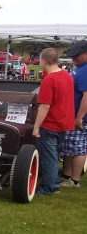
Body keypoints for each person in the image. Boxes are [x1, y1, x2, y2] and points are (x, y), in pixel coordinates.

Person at [32, 48, 75, 195]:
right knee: (54, 154)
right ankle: (54, 182)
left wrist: (36, 127)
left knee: (48, 157)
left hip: (51, 123)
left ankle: (48, 187)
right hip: (65, 122)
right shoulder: (67, 76)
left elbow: (44, 107)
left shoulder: (49, 80)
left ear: (44, 61)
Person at [60, 41, 87, 187]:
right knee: (69, 146)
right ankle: (67, 175)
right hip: (72, 115)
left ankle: (74, 180)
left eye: (76, 56)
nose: (73, 59)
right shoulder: (79, 68)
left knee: (78, 148)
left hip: (80, 118)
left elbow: (86, 96)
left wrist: (79, 117)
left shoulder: (85, 70)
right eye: (72, 57)